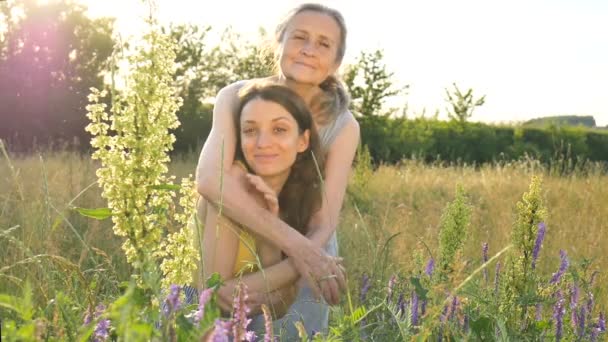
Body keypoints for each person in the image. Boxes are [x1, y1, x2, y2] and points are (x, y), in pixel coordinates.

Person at [195, 3, 360, 337]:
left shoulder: (342, 126)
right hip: (238, 234)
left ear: (336, 63)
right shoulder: (234, 96)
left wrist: (295, 262)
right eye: (300, 37)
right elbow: (211, 181)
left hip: (303, 256)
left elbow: (323, 222)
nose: (309, 50)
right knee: (218, 326)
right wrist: (301, 252)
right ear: (279, 42)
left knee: (289, 335)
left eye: (324, 44)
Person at [193, 81, 326, 320]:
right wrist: (300, 263)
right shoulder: (231, 186)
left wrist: (271, 237)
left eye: (279, 130)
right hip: (194, 324)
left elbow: (279, 307)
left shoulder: (301, 195)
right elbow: (212, 297)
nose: (263, 143)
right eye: (250, 130)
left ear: (302, 141)